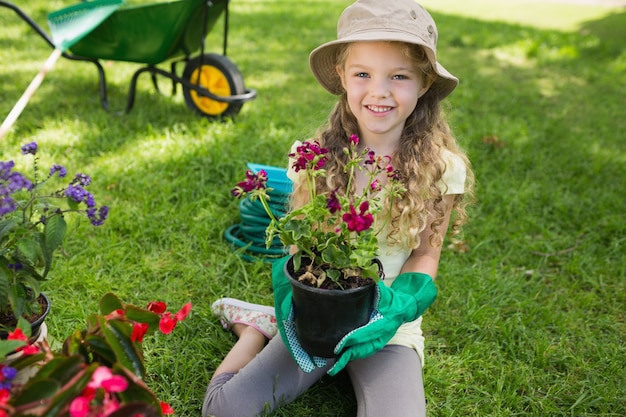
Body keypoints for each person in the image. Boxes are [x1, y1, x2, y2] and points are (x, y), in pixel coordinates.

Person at [203, 0, 474, 416]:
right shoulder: (315, 159)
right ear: (343, 78)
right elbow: (304, 246)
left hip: (387, 326)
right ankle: (254, 331)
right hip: (318, 316)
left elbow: (424, 254)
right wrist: (295, 292)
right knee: (224, 411)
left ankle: (339, 342)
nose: (378, 91)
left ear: (423, 85)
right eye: (362, 73)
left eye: (398, 76)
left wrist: (395, 307)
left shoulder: (439, 170)